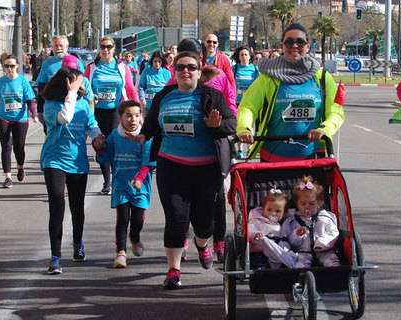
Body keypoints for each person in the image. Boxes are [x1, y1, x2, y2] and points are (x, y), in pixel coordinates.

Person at [131, 50, 236, 289]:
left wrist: (216, 125)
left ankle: (201, 244)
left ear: (199, 72)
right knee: (176, 219)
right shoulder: (164, 96)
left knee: (204, 224)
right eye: (180, 67)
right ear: (174, 72)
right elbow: (151, 122)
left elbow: (231, 124)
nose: (185, 71)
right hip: (172, 168)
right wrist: (144, 135)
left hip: (206, 170)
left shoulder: (211, 96)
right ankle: (173, 270)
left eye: (190, 67)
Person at [236, 23, 345, 162]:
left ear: (307, 47)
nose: (294, 46)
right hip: (273, 158)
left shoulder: (322, 76)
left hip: (313, 158)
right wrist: (244, 128)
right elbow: (248, 106)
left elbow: (336, 111)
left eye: (300, 42)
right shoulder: (268, 77)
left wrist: (325, 129)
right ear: (282, 47)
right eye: (289, 42)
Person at [40, 67, 105, 275]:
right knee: (57, 205)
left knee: (77, 208)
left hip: (77, 162)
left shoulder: (84, 105)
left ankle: (78, 243)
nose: (82, 86)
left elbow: (91, 124)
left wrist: (97, 136)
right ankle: (55, 257)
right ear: (67, 84)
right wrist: (71, 94)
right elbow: (65, 118)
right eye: (78, 83)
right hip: (54, 160)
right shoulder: (52, 105)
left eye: (81, 84)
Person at [96, 100, 155, 268]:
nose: (133, 119)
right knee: (122, 218)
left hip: (140, 187)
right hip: (121, 184)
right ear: (120, 118)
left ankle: (135, 237)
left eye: (137, 115)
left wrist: (139, 179)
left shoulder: (146, 137)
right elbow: (106, 156)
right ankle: (120, 253)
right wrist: (99, 148)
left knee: (137, 220)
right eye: (128, 116)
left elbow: (148, 162)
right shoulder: (115, 135)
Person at [84, 36, 139, 194]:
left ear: (114, 49)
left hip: (116, 110)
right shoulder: (92, 67)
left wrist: (137, 110)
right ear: (99, 49)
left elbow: (130, 88)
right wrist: (90, 96)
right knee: (100, 145)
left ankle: (117, 179)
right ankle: (107, 181)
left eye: (108, 47)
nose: (105, 50)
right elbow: (84, 87)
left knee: (115, 145)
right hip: (98, 111)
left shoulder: (122, 67)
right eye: (102, 47)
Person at [0, 55, 38, 188]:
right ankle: (8, 177)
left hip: (20, 119)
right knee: (6, 146)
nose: (9, 69)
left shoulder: (22, 81)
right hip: (3, 117)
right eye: (6, 66)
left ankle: (20, 166)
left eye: (11, 66)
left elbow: (30, 100)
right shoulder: (0, 82)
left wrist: (34, 115)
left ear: (17, 66)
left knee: (19, 146)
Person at [282, 176, 340, 268]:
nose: (307, 207)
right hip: (303, 252)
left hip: (324, 250)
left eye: (312, 204)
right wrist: (297, 235)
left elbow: (333, 233)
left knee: (331, 260)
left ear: (319, 203)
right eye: (303, 204)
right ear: (297, 204)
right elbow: (289, 240)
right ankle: (302, 278)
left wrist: (322, 243)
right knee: (299, 264)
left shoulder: (324, 217)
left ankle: (335, 274)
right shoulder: (293, 220)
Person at [248, 187, 303, 269]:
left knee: (292, 257)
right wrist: (255, 234)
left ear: (284, 213)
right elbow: (249, 229)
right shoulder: (259, 220)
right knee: (258, 258)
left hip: (280, 252)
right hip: (262, 250)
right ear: (263, 209)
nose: (273, 214)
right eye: (269, 210)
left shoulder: (286, 223)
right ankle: (260, 270)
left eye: (277, 211)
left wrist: (297, 234)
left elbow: (291, 238)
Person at [36, 36, 86, 126]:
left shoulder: (76, 62)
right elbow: (41, 87)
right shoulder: (47, 64)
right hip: (53, 105)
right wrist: (40, 110)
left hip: (74, 104)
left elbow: (84, 84)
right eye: (56, 46)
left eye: (61, 45)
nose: (58, 48)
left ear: (67, 46)